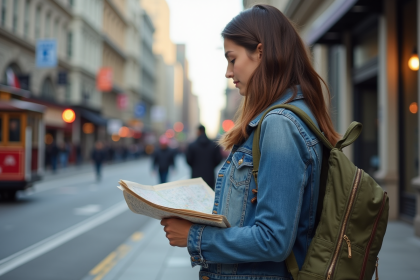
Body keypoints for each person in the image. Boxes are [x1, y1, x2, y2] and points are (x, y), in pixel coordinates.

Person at [160, 5, 340, 280]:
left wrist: (194, 236)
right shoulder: (289, 116)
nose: (228, 72)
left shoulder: (279, 124)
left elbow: (273, 239)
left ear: (260, 51)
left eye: (232, 59)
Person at [186, 125, 223, 189]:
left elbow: (188, 160)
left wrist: (195, 166)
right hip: (210, 176)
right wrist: (211, 166)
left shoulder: (192, 145)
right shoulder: (214, 145)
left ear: (198, 131)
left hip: (195, 176)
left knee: (196, 195)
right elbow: (219, 159)